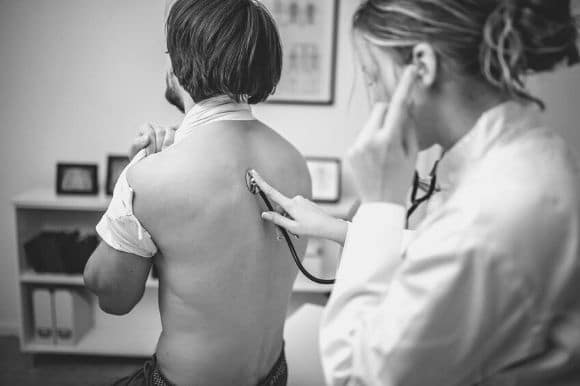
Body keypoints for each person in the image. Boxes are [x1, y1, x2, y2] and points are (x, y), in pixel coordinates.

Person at [250, 0, 580, 384]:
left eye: (372, 76)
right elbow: (440, 252)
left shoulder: (493, 211)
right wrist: (337, 228)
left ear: (421, 67)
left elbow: (358, 377)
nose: (373, 98)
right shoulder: (531, 155)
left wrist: (379, 204)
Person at [83, 0, 311, 385]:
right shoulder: (295, 161)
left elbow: (112, 297)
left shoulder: (153, 177)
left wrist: (130, 182)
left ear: (178, 64)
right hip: (273, 375)